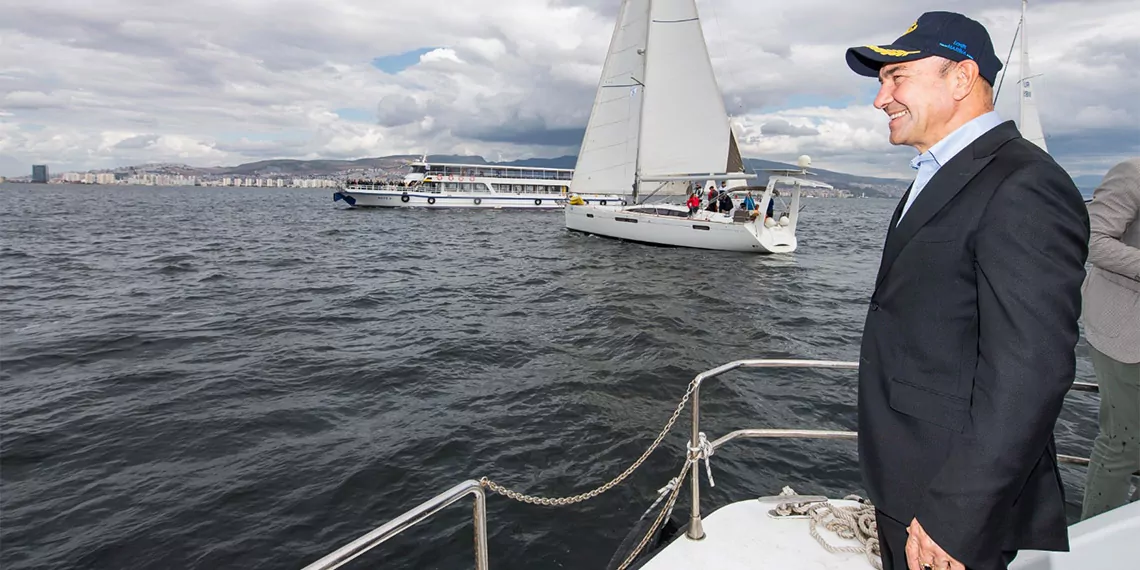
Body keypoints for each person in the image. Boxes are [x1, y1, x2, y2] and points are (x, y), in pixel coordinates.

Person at [844, 11, 1090, 570]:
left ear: (960, 78)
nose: (880, 99)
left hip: (950, 502)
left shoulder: (1024, 184)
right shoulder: (939, 173)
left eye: (896, 78)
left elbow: (1031, 369)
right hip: (910, 477)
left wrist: (957, 513)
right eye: (881, 81)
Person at [1079, 157, 1140, 520]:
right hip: (1125, 329)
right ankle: (1095, 540)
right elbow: (1092, 238)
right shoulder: (1133, 171)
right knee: (1124, 443)